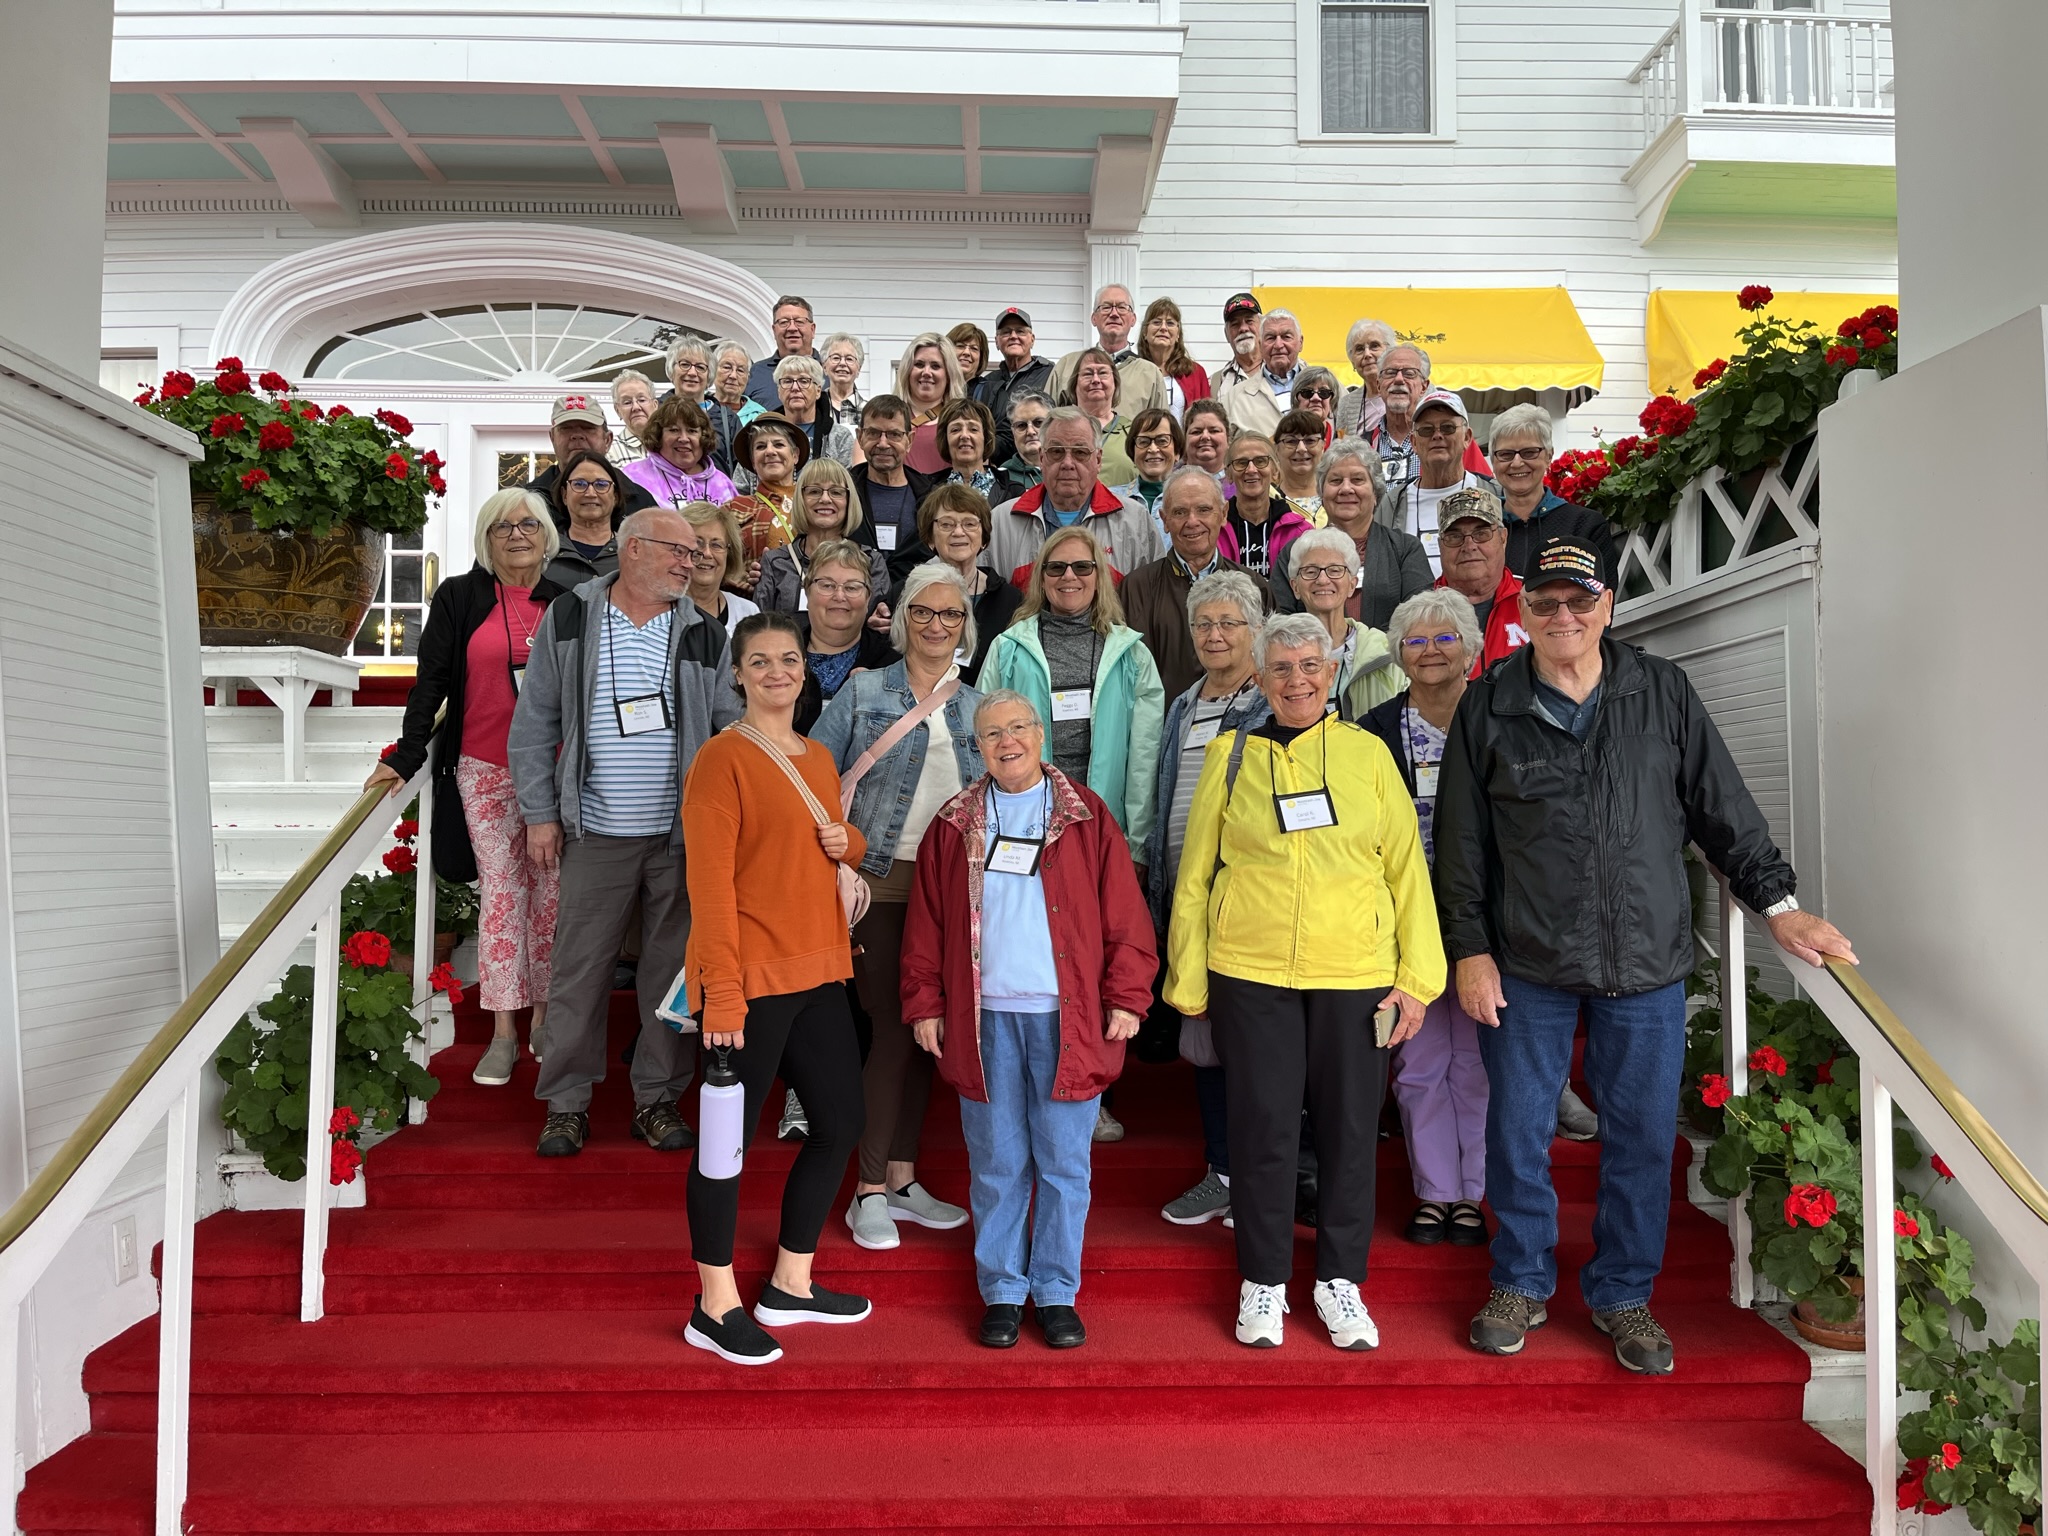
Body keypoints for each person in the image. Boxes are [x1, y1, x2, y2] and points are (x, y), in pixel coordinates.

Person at [1435, 534, 1857, 1373]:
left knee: (1640, 1138)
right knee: (1517, 1132)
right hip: (1526, 960)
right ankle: (1519, 1280)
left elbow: (1722, 808)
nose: (1563, 614)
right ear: (1524, 613)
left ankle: (1623, 1292)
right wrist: (1469, 950)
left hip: (1645, 961)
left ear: (1608, 607)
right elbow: (1460, 844)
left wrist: (1778, 906)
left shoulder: (1661, 691)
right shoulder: (1488, 705)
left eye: (1580, 600)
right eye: (1546, 601)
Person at [1165, 612, 1444, 1351]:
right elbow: (1195, 875)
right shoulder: (1230, 755)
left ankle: (1339, 1280)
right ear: (1260, 679)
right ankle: (1263, 1279)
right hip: (1251, 970)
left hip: (1356, 972)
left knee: (1350, 1131)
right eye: (1282, 668)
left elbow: (1407, 870)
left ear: (1331, 673)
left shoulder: (1368, 753)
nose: (1297, 680)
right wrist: (1190, 979)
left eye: (1310, 666)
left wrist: (1417, 978)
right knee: (1262, 1130)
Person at [901, 689, 1157, 1350]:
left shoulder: (1086, 816)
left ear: (1040, 735)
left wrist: (1128, 996)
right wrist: (925, 1003)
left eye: (1018, 728)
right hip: (984, 1021)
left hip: (1066, 1021)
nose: (1007, 742)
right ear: (978, 747)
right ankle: (1003, 1291)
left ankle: (1056, 1290)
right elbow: (925, 927)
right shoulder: (954, 822)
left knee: (1065, 1163)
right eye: (992, 734)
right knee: (997, 1162)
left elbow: (1126, 917)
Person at [509, 508, 739, 1160]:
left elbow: (729, 728)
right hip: (595, 831)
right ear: (633, 549)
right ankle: (566, 1105)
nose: (691, 563)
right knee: (578, 972)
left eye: (695, 554)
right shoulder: (571, 617)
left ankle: (656, 1100)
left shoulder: (704, 631)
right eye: (679, 551)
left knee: (672, 976)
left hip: (679, 838)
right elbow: (534, 724)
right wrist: (540, 813)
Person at [680, 611, 873, 1366]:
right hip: (752, 979)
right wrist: (721, 992)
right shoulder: (720, 759)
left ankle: (791, 1282)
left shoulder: (818, 757)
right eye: (759, 661)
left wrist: (851, 842)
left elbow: (824, 847)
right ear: (738, 674)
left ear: (804, 669)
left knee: (841, 1123)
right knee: (722, 1147)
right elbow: (710, 888)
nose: (776, 672)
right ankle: (714, 1304)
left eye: (788, 659)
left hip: (820, 968)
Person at [814, 563, 983, 1251]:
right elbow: (812, 775)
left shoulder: (979, 706)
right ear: (903, 618)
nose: (937, 625)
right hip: (877, 884)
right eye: (924, 612)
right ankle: (869, 1190)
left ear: (965, 626)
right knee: (890, 1028)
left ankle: (904, 1179)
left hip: (952, 890)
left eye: (951, 614)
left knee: (926, 1033)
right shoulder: (863, 692)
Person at [372, 488, 566, 1083]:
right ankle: (504, 1031)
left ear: (547, 536)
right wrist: (405, 756)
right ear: (486, 539)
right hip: (484, 768)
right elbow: (430, 680)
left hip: (556, 772)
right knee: (503, 895)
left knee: (553, 899)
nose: (517, 535)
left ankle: (545, 1019)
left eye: (528, 524)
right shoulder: (460, 596)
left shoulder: (568, 602)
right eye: (502, 526)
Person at [1359, 589, 1489, 1247]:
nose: (1431, 651)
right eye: (1415, 640)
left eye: (1445, 638)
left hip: (1487, 922)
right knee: (1417, 1062)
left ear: (1471, 649)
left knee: (1477, 1063)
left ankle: (1475, 1193)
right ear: (1398, 654)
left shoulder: (1500, 717)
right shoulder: (1373, 731)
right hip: (1405, 921)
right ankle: (1436, 1192)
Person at [1142, 571, 1269, 1228]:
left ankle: (1263, 1178)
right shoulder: (1183, 704)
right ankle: (1221, 1171)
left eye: (1229, 623)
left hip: (1249, 901)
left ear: (1255, 630)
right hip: (1187, 898)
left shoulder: (1274, 702)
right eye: (1204, 624)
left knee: (1257, 1045)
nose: (1214, 636)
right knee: (1204, 1036)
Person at [979, 526, 1165, 861]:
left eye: (1082, 567)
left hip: (1103, 820)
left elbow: (1144, 758)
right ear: (1042, 577)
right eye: (1056, 567)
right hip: (1021, 819)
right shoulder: (1008, 649)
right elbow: (981, 740)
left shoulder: (1132, 655)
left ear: (1098, 576)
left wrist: (1136, 844)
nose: (1069, 576)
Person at [1267, 439, 1431, 630]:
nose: (1346, 489)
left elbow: (1420, 621)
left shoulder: (1405, 550)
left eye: (1357, 480)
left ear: (1376, 492)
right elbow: (1281, 624)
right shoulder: (1295, 552)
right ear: (1322, 493)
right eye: (1335, 480)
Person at [1120, 466, 1253, 701]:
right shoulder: (1135, 589)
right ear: (1164, 520)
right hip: (1161, 722)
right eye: (1180, 512)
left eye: (1204, 510)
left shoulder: (1253, 587)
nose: (1192, 522)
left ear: (1223, 514)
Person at [987, 408, 1162, 584]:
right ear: (1042, 458)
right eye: (1056, 452)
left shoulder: (1136, 521)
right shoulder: (1000, 522)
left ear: (1098, 460)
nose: (1067, 463)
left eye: (1080, 452)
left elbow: (1153, 594)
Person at [879, 484, 1019, 684]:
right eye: (946, 524)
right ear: (930, 538)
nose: (958, 532)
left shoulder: (1010, 600)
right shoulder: (905, 593)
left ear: (984, 538)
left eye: (969, 523)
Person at [1488, 403, 1619, 578]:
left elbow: (1604, 592)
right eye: (1506, 454)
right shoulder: (1481, 529)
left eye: (1529, 452)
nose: (1517, 463)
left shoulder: (1585, 525)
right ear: (1493, 460)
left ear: (1549, 456)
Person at [1286, 529, 1403, 720]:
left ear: (1352, 585)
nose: (1322, 580)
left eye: (1334, 570)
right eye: (1310, 571)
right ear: (1295, 587)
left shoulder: (1387, 652)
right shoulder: (1279, 655)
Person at [1380, 390, 1499, 578]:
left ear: (1467, 437)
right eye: (1426, 430)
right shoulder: (1391, 504)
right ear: (1414, 443)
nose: (1437, 435)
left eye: (1447, 428)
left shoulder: (1495, 494)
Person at [756, 457, 886, 616]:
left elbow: (878, 623)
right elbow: (761, 625)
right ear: (800, 500)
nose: (825, 499)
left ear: (849, 501)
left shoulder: (871, 562)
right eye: (814, 491)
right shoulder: (774, 562)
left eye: (836, 492)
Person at [796, 539, 898, 730]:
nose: (839, 596)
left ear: (868, 598)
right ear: (807, 592)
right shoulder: (781, 656)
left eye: (852, 587)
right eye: (827, 585)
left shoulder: (893, 665)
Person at [1433, 487, 1528, 675]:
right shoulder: (1419, 614)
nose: (1469, 546)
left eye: (1481, 533)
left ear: (1503, 538)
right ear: (1440, 546)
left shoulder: (1536, 600)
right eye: (1454, 536)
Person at [852, 395, 945, 569]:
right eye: (873, 433)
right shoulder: (843, 492)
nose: (883, 444)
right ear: (860, 437)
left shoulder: (932, 498)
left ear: (909, 440)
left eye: (894, 434)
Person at [1051, 284, 1169, 418]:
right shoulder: (1066, 366)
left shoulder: (1150, 374)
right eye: (1106, 307)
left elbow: (1161, 426)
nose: (1114, 314)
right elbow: (1043, 420)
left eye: (1122, 308)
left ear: (1133, 319)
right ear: (1093, 318)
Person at [526, 393, 657, 513]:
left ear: (607, 440)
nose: (577, 435)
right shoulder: (527, 502)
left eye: (588, 428)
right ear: (552, 438)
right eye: (566, 428)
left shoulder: (640, 502)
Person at [723, 413, 807, 589]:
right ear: (753, 462)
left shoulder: (814, 504)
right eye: (761, 446)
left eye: (778, 444)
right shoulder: (733, 508)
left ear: (795, 455)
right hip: (752, 603)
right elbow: (718, 564)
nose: (770, 451)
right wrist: (744, 580)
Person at [1217, 432, 1312, 579]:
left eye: (1260, 461)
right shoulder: (1214, 530)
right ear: (1228, 474)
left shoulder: (1300, 531)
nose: (1251, 470)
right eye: (1241, 463)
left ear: (1275, 471)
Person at [973, 307, 1055, 467]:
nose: (1013, 336)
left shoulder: (1051, 374)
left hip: (1039, 469)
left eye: (1020, 331)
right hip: (995, 471)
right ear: (997, 342)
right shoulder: (986, 383)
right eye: (1006, 332)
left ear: (1032, 339)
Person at [623, 396, 737, 510]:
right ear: (658, 435)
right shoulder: (633, 477)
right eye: (674, 430)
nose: (684, 439)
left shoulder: (723, 483)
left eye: (692, 431)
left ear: (704, 437)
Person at [543, 448, 628, 590]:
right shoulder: (544, 551)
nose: (590, 493)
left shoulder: (633, 553)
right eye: (579, 484)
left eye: (601, 485)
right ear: (564, 495)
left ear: (615, 496)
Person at [1216, 309, 1303, 437]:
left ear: (1300, 342)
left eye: (1286, 337)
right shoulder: (1234, 397)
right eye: (1270, 338)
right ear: (1261, 344)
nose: (1278, 345)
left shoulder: (1325, 385)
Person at [680, 500, 760, 636]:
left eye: (716, 545)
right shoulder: (659, 611)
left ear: (729, 554)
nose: (707, 553)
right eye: (697, 543)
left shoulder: (748, 613)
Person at [896, 333, 968, 476]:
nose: (926, 372)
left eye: (935, 366)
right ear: (907, 370)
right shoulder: (886, 417)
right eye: (919, 364)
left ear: (949, 374)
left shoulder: (965, 421)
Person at [1066, 346, 1137, 487]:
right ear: (1075, 383)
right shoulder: (1061, 428)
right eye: (1088, 374)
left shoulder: (1133, 431)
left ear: (1115, 383)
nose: (1095, 380)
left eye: (1103, 373)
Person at [1111, 407, 1184, 540]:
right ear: (1133, 452)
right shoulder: (1111, 500)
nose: (1153, 449)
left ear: (1177, 452)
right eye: (1143, 441)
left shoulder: (1190, 500)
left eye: (1162, 441)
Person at [936, 396, 1019, 507]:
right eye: (955, 429)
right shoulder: (926, 489)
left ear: (986, 437)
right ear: (945, 439)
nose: (964, 435)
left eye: (973, 429)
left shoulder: (1014, 492)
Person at [665, 338, 733, 472]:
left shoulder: (728, 419)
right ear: (672, 370)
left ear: (709, 375)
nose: (692, 373)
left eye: (700, 367)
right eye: (685, 364)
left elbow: (741, 473)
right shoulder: (655, 411)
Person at [775, 354, 855, 467]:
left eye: (804, 381)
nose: (795, 388)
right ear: (779, 391)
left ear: (818, 391)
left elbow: (846, 477)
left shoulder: (840, 437)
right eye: (787, 381)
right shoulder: (764, 433)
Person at [1138, 296, 1212, 419]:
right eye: (1156, 322)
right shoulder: (1134, 372)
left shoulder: (1196, 373)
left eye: (1170, 323)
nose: (1163, 328)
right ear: (1145, 332)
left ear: (1178, 335)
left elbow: (1208, 418)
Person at [746, 296, 818, 410]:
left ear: (812, 329)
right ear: (774, 330)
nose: (792, 328)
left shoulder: (830, 372)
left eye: (799, 322)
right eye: (784, 322)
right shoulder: (755, 373)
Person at [709, 339, 766, 473]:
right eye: (727, 367)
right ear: (713, 370)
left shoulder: (759, 416)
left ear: (748, 377)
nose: (733, 375)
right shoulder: (701, 409)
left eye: (740, 370)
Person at [1335, 318, 1394, 439]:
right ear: (1352, 361)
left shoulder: (1415, 392)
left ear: (1390, 352)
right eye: (1360, 349)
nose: (1367, 354)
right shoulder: (1346, 405)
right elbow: (1342, 446)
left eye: (1374, 346)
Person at [1273, 407, 1330, 524]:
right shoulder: (1268, 502)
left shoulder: (1336, 496)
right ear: (1276, 449)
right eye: (1291, 441)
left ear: (1323, 446)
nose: (1301, 449)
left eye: (1310, 440)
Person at [1208, 291, 1263, 398]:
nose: (1243, 328)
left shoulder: (1282, 372)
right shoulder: (1214, 384)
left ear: (1262, 327)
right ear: (1226, 334)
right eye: (1235, 324)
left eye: (1249, 321)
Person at [997, 390, 1052, 494]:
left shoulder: (1067, 471)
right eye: (1021, 425)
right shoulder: (1001, 478)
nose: (1030, 431)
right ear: (1013, 431)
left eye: (1038, 423)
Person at [820, 332, 867, 430]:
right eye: (836, 358)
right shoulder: (815, 407)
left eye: (849, 359)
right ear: (824, 367)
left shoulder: (869, 410)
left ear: (858, 369)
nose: (842, 363)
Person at [609, 369, 657, 462]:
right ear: (617, 410)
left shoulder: (669, 444)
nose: (636, 407)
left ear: (655, 405)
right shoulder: (610, 451)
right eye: (627, 402)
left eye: (642, 400)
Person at [1183, 398, 1234, 482]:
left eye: (1214, 431)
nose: (1205, 436)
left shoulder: (1241, 485)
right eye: (1196, 432)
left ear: (1228, 438)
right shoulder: (1170, 485)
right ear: (1185, 439)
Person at [1288, 368, 1342, 438]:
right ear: (1296, 400)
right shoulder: (1280, 441)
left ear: (1332, 400)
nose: (1316, 398)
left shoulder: (1344, 438)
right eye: (1307, 392)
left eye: (1324, 393)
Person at [947, 322, 990, 388]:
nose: (967, 352)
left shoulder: (991, 391)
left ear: (981, 358)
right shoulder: (935, 388)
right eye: (960, 346)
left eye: (974, 348)